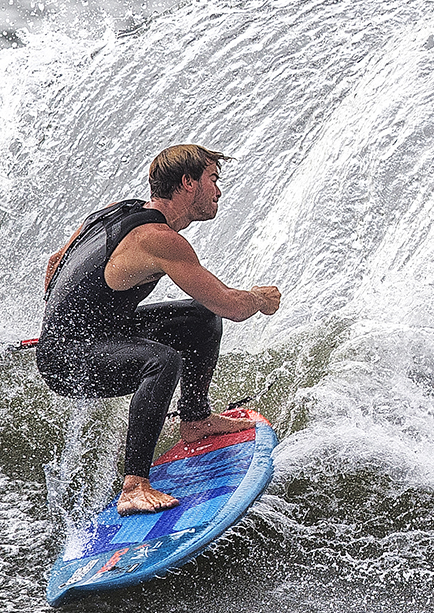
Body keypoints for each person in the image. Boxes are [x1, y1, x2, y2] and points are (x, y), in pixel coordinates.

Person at [36, 144, 282, 515]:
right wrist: (260, 299)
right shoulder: (160, 239)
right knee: (161, 360)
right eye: (212, 180)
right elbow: (230, 306)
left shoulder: (116, 212)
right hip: (67, 359)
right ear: (187, 183)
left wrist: (71, 313)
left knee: (200, 317)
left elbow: (55, 264)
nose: (218, 192)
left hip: (89, 334)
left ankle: (196, 421)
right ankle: (134, 487)